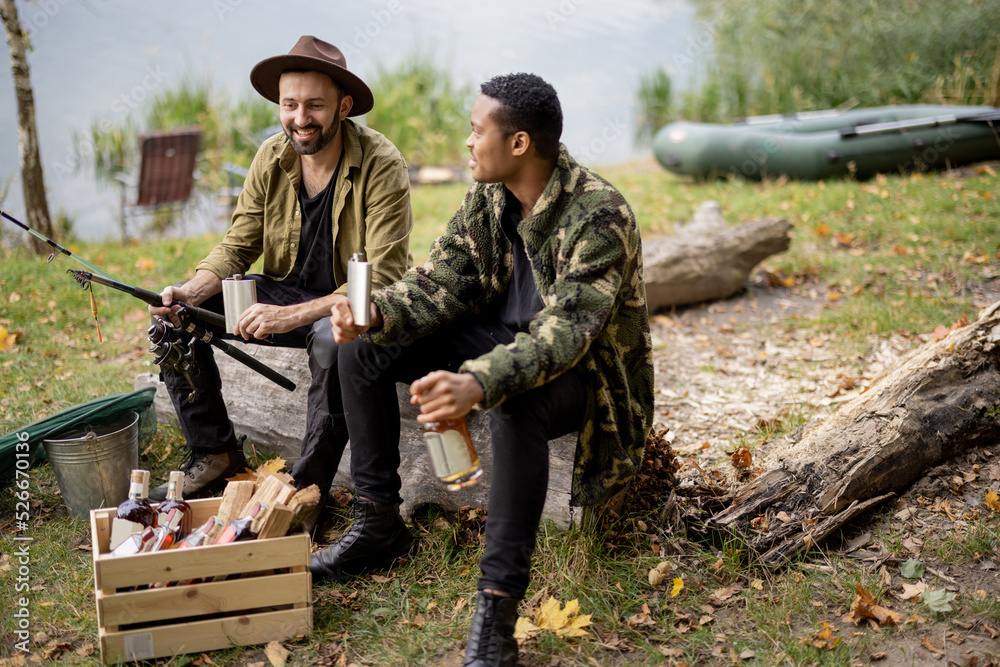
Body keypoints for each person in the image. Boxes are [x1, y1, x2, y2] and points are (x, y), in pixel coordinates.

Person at [314, 73, 654, 667]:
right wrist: (375, 311)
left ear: (518, 143)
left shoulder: (599, 215)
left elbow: (564, 336)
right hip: (497, 344)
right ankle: (376, 523)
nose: (468, 143)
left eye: (478, 131)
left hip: (582, 375)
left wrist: (475, 383)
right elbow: (441, 279)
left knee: (514, 398)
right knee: (361, 345)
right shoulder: (489, 196)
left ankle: (496, 610)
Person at [148, 36, 413, 507]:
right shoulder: (271, 156)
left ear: (343, 106)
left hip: (348, 304)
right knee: (174, 316)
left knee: (335, 338)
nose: (300, 118)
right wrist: (190, 290)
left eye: (315, 105)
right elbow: (239, 243)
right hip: (284, 290)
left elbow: (382, 279)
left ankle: (304, 490)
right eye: (289, 104)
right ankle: (213, 450)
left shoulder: (381, 162)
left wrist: (285, 318)